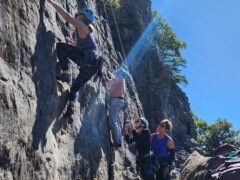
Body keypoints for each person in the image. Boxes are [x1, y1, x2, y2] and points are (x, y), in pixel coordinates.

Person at [47, 0, 99, 117]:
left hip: (85, 60)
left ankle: (65, 74)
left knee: (61, 47)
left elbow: (66, 16)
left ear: (82, 17)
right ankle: (71, 107)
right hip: (91, 67)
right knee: (75, 88)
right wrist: (73, 43)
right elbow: (85, 47)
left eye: (79, 15)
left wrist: (51, 2)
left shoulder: (81, 25)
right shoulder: (88, 32)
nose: (77, 17)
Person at [103, 68, 127, 147]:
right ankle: (119, 139)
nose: (115, 73)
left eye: (117, 72)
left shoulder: (119, 78)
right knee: (116, 121)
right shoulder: (123, 81)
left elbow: (110, 82)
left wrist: (104, 76)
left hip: (116, 101)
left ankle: (117, 141)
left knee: (113, 121)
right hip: (119, 101)